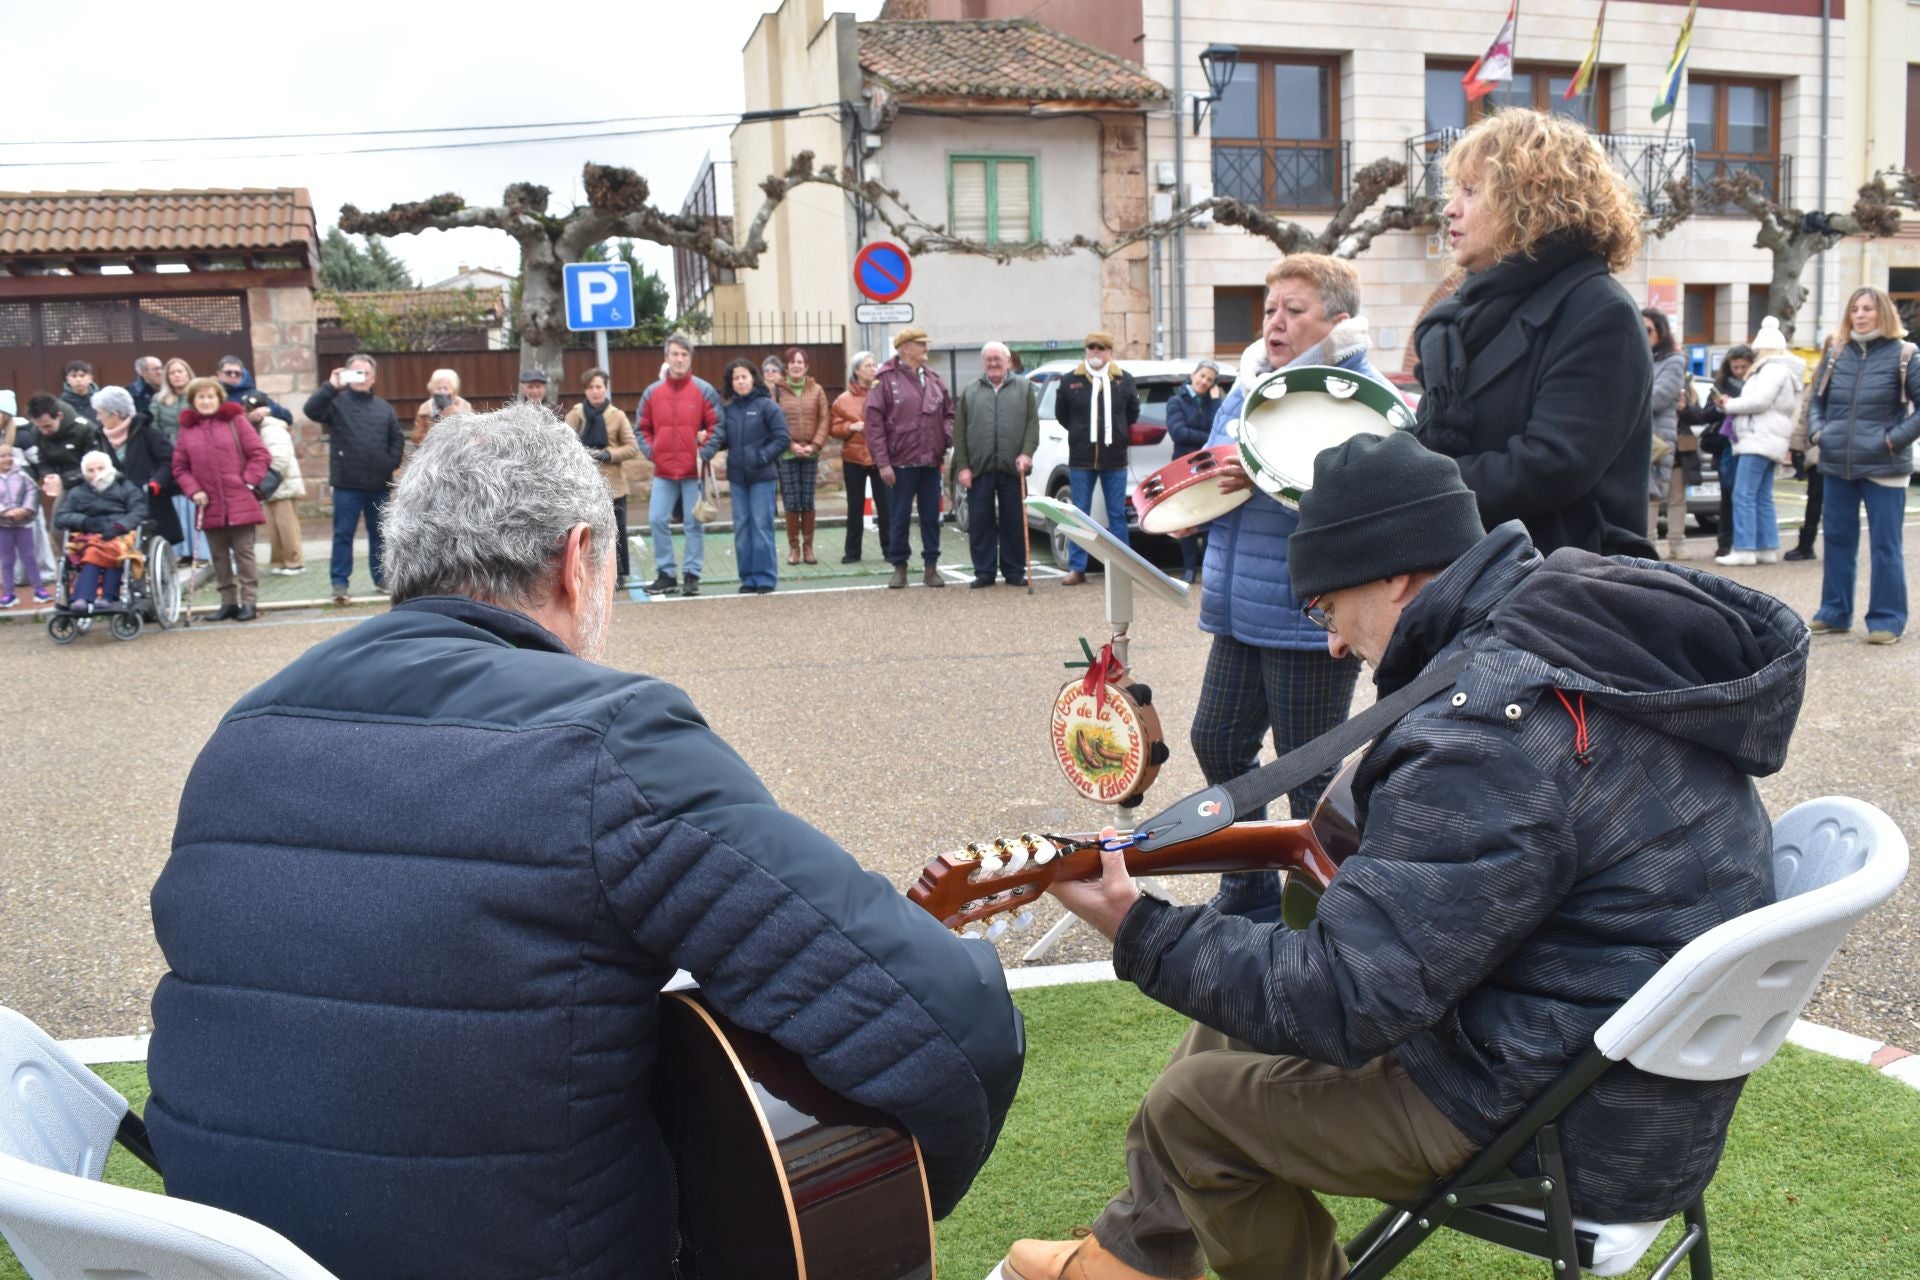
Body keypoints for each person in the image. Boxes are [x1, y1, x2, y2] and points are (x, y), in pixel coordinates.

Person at [145, 404, 1022, 1280]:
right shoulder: (606, 739)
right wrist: (877, 1201)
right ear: (577, 564)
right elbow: (948, 1024)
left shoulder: (243, 731)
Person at [998, 429, 1805, 1280]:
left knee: (1192, 1111)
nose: (1335, 646)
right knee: (1227, 1016)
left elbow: (1347, 1002)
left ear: (1395, 573)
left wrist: (1138, 929)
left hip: (1571, 1122)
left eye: (1326, 610)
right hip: (1622, 1066)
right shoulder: (1576, 628)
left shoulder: (1485, 730)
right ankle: (1132, 1261)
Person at [1188, 254, 1384, 918]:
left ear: (1338, 321)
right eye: (1271, 309)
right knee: (1215, 741)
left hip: (1308, 613)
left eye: (1294, 311)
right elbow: (1217, 460)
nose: (1275, 322)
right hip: (1238, 604)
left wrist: (1262, 472)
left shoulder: (1358, 390)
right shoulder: (1250, 381)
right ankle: (1247, 885)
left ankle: (1327, 908)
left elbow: (1358, 493)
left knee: (1308, 772)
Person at [1412, 109, 1654, 558]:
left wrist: (1410, 481)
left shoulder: (1599, 310)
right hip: (1468, 569)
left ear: (1529, 202)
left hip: (1559, 592)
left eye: (1470, 190)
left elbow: (1550, 467)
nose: (1449, 207)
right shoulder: (1465, 313)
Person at [1808, 285, 1920, 644]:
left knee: (1885, 545)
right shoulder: (1836, 352)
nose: (1860, 314)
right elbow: (1816, 402)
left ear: (1882, 312)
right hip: (1836, 461)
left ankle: (1887, 619)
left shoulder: (1906, 355)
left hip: (1885, 465)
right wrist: (1818, 433)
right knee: (1838, 539)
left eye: (1868, 308)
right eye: (1855, 308)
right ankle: (1834, 612)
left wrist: (1892, 439)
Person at [304, 353, 403, 605]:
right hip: (347, 484)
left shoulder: (384, 408)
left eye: (366, 373)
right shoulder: (335, 403)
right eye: (356, 373)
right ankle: (340, 583)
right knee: (343, 534)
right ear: (347, 376)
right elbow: (310, 410)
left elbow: (397, 439)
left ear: (373, 377)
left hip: (378, 484)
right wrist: (330, 386)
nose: (362, 378)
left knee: (380, 534)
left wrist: (389, 463)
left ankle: (381, 578)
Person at [174, 376, 271, 621]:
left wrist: (247, 481)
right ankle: (228, 602)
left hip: (239, 498)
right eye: (201, 397)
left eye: (210, 396)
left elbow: (259, 454)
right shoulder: (188, 430)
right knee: (218, 556)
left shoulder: (235, 421)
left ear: (219, 398)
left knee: (244, 554)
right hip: (208, 503)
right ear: (193, 401)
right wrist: (194, 490)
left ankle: (249, 602)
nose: (206, 401)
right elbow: (180, 467)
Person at [866, 327, 954, 589]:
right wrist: (882, 463)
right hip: (899, 463)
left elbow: (950, 413)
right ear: (905, 349)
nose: (926, 348)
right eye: (920, 344)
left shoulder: (934, 379)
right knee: (899, 517)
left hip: (930, 462)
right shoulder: (884, 380)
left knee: (931, 516)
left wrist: (945, 435)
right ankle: (900, 567)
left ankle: (931, 568)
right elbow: (873, 424)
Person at [1714, 316, 1803, 567]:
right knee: (1762, 495)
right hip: (1771, 438)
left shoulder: (1771, 369)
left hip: (1758, 438)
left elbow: (1760, 401)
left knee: (1743, 494)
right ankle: (1766, 546)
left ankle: (1744, 548)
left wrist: (1729, 404)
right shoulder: (1785, 369)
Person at [1054, 331, 1141, 586]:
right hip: (1082, 458)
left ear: (1110, 353)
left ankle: (1123, 566)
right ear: (1086, 350)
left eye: (1101, 348)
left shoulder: (1124, 381)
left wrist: (1118, 433)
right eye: (1091, 348)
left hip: (1114, 458)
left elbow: (1132, 414)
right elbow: (1063, 415)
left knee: (1117, 514)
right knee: (1079, 514)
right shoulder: (1071, 380)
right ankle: (1077, 567)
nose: (1095, 352)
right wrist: (1082, 434)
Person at [637, 332, 718, 596]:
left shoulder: (704, 390)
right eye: (675, 354)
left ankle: (692, 575)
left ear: (690, 358)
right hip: (664, 471)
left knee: (694, 523)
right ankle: (666, 574)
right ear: (667, 357)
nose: (679, 359)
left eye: (684, 354)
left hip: (692, 471)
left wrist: (703, 453)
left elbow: (718, 425)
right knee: (657, 519)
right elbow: (642, 427)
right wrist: (652, 452)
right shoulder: (652, 392)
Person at [952, 341, 1037, 588]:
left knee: (1014, 521)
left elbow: (1032, 424)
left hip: (1013, 468)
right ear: (983, 363)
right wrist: (963, 467)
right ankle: (984, 572)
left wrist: (1027, 453)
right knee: (980, 521)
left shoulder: (1024, 388)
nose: (993, 363)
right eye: (988, 359)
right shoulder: (970, 390)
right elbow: (959, 432)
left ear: (1008, 361)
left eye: (997, 358)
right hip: (979, 468)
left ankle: (1014, 571)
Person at [701, 358, 789, 594]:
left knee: (761, 526)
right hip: (738, 478)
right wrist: (707, 441)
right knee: (742, 527)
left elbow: (782, 438)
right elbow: (725, 440)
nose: (740, 381)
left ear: (753, 378)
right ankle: (748, 577)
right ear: (731, 383)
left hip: (762, 476)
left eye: (744, 376)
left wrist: (762, 457)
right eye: (735, 378)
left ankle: (765, 577)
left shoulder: (767, 406)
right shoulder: (728, 411)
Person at [564, 368, 639, 588]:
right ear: (585, 390)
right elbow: (564, 443)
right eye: (590, 387)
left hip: (614, 484)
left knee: (617, 532)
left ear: (605, 388)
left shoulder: (617, 415)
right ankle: (589, 574)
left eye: (599, 387)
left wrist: (609, 454)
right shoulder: (576, 415)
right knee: (587, 533)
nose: (595, 392)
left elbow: (632, 447)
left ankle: (620, 574)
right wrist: (583, 454)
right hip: (584, 485)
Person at [1680, 345, 1754, 559]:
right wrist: (1721, 406)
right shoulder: (1721, 384)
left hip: (1749, 443)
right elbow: (1705, 414)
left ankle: (1744, 543)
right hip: (1725, 446)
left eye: (1743, 367)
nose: (1739, 371)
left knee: (1745, 495)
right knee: (1728, 494)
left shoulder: (1756, 385)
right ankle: (1725, 543)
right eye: (1735, 367)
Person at [54, 451, 148, 612]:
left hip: (120, 532)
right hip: (89, 533)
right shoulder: (77, 492)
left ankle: (83, 597)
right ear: (84, 473)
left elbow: (139, 511)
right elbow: (61, 517)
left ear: (109, 468)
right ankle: (105, 597)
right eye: (90, 470)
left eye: (100, 468)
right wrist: (85, 522)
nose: (96, 473)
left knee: (104, 549)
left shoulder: (125, 487)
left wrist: (119, 527)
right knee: (94, 547)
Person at [91, 385, 182, 549]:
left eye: (100, 412)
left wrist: (158, 481)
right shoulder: (99, 438)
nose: (97, 417)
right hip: (116, 502)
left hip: (149, 498)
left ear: (115, 414)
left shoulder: (147, 432)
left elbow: (168, 460)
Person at [1164, 359, 1222, 583]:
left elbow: (1219, 428)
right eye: (1202, 376)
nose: (1204, 381)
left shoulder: (1212, 403)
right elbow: (1179, 433)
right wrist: (1207, 438)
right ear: (1193, 374)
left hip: (1208, 466)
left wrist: (1216, 402)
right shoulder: (1176, 401)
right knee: (1187, 516)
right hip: (1183, 466)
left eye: (1209, 379)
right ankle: (1188, 569)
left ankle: (1207, 567)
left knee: (1208, 516)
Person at [772, 347, 831, 566]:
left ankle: (808, 547)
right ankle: (793, 548)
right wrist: (790, 444)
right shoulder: (776, 391)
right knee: (791, 501)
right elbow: (773, 422)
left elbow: (825, 419)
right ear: (786, 366)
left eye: (801, 362)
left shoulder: (817, 390)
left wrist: (814, 444)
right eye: (792, 362)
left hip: (810, 452)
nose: (796, 365)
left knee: (807, 500)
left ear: (806, 366)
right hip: (787, 453)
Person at [149, 358, 210, 567]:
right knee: (177, 503)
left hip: (195, 452)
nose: (177, 375)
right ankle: (182, 551)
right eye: (172, 372)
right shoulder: (158, 400)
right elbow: (153, 427)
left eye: (180, 371)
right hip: (169, 454)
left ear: (188, 373)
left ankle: (201, 551)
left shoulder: (198, 397)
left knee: (195, 499)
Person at [829, 351, 888, 564]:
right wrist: (850, 427)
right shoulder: (842, 401)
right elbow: (833, 428)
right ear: (856, 371)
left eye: (874, 365)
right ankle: (852, 552)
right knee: (855, 505)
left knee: (885, 505)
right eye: (867, 366)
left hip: (879, 456)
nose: (873, 369)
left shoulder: (883, 393)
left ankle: (890, 550)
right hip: (853, 457)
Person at [241, 391, 307, 576]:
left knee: (287, 527)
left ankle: (295, 561)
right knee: (274, 528)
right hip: (272, 487)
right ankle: (279, 561)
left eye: (249, 410)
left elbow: (279, 459)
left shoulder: (272, 428)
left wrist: (264, 482)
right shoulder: (260, 429)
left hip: (281, 484)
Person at [1785, 333, 1838, 562]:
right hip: (1818, 449)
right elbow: (1806, 414)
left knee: (1837, 502)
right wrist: (1797, 448)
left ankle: (1836, 548)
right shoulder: (1819, 376)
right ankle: (1806, 544)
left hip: (1840, 449)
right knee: (1815, 498)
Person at [1642, 308, 1690, 559]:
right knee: (1649, 492)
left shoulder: (1673, 359)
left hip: (1664, 436)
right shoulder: (1636, 355)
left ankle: (1676, 543)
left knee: (1672, 494)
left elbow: (1659, 396)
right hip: (1648, 432)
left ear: (1660, 330)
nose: (1644, 333)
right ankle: (1648, 544)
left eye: (1648, 329)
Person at [0, 445, 50, 606]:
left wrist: (25, 510)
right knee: (7, 560)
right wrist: (5, 511)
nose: (7, 459)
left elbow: (32, 491)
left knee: (29, 557)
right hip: (3, 526)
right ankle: (9, 593)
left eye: (9, 455)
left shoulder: (22, 475)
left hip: (23, 524)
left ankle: (39, 590)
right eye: (2, 456)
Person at [214, 355, 294, 424]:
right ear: (219, 374)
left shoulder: (253, 394)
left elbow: (288, 416)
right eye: (228, 372)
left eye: (237, 373)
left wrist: (267, 411)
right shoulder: (212, 394)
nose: (233, 375)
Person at [410, 368, 473, 448]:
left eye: (446, 388)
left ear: (453, 390)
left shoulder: (465, 406)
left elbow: (471, 434)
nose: (442, 391)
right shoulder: (425, 408)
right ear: (432, 390)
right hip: (432, 454)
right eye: (439, 388)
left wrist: (454, 413)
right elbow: (416, 438)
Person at [125, 355, 164, 420]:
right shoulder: (130, 394)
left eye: (161, 368)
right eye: (155, 369)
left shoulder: (170, 390)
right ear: (143, 373)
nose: (160, 372)